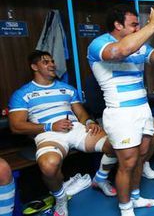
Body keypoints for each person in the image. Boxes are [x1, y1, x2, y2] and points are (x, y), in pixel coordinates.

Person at [87, 2, 154, 216]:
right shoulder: (99, 45)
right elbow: (122, 51)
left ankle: (135, 197)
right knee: (127, 162)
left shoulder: (140, 46)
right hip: (120, 113)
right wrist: (152, 25)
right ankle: (125, 208)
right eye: (133, 24)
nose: (137, 28)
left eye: (139, 25)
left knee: (141, 156)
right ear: (117, 24)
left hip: (142, 110)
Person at [8, 51, 117, 216]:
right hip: (48, 134)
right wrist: (51, 126)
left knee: (117, 144)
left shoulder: (67, 88)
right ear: (34, 67)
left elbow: (80, 114)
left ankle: (100, 179)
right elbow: (16, 126)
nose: (52, 64)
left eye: (52, 61)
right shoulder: (22, 93)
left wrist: (89, 122)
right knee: (48, 166)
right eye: (46, 62)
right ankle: (60, 198)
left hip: (75, 129)